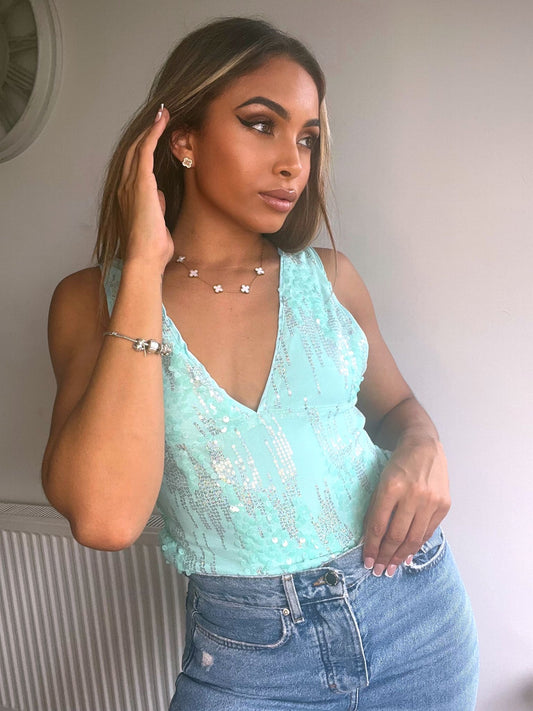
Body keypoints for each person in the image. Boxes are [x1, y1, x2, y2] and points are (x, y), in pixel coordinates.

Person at [41, 16, 479, 710]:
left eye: (306, 137)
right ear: (182, 139)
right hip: (248, 661)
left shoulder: (330, 279)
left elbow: (397, 409)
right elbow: (105, 519)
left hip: (415, 614)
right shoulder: (90, 302)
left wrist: (425, 444)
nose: (293, 163)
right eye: (260, 124)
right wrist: (145, 268)